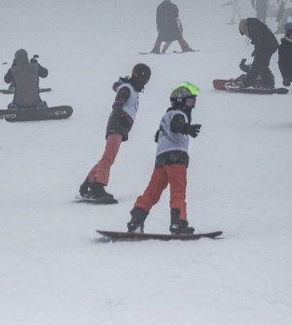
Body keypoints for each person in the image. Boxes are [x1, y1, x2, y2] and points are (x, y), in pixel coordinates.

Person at [126, 82, 202, 235]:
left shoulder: (165, 116)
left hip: (161, 159)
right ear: (180, 101)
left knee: (152, 191)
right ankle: (178, 223)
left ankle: (136, 219)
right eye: (189, 101)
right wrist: (187, 128)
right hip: (177, 157)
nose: (191, 106)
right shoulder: (179, 115)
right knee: (178, 190)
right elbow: (176, 126)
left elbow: (157, 136)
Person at [79, 63, 152, 202]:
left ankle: (88, 184)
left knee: (108, 157)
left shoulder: (132, 89)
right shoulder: (127, 88)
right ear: (136, 76)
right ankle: (97, 187)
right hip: (117, 123)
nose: (144, 82)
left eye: (146, 80)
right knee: (108, 157)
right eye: (143, 79)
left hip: (120, 125)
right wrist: (122, 117)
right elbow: (118, 103)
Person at [237, 18, 278, 89]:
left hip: (268, 46)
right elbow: (259, 39)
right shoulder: (252, 25)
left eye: (244, 33)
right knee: (259, 65)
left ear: (243, 27)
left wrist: (256, 50)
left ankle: (268, 84)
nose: (246, 35)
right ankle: (248, 83)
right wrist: (256, 50)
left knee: (260, 65)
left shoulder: (252, 26)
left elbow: (259, 38)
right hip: (267, 46)